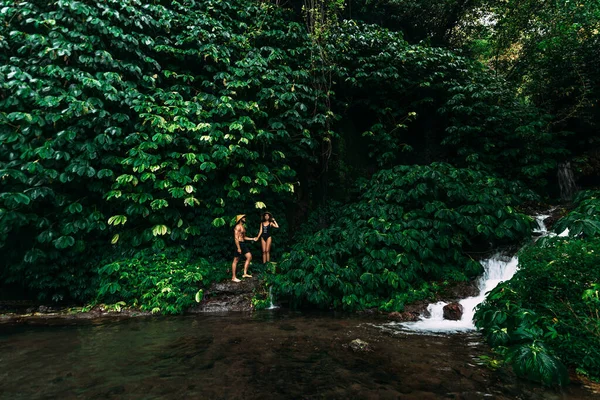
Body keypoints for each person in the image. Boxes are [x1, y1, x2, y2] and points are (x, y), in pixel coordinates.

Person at [232, 214, 257, 282]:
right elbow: (236, 238)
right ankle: (233, 277)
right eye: (243, 217)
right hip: (239, 244)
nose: (245, 218)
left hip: (243, 244)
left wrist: (252, 238)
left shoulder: (242, 227)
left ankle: (245, 273)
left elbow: (244, 237)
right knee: (236, 260)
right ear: (240, 219)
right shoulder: (237, 227)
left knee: (249, 257)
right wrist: (238, 248)